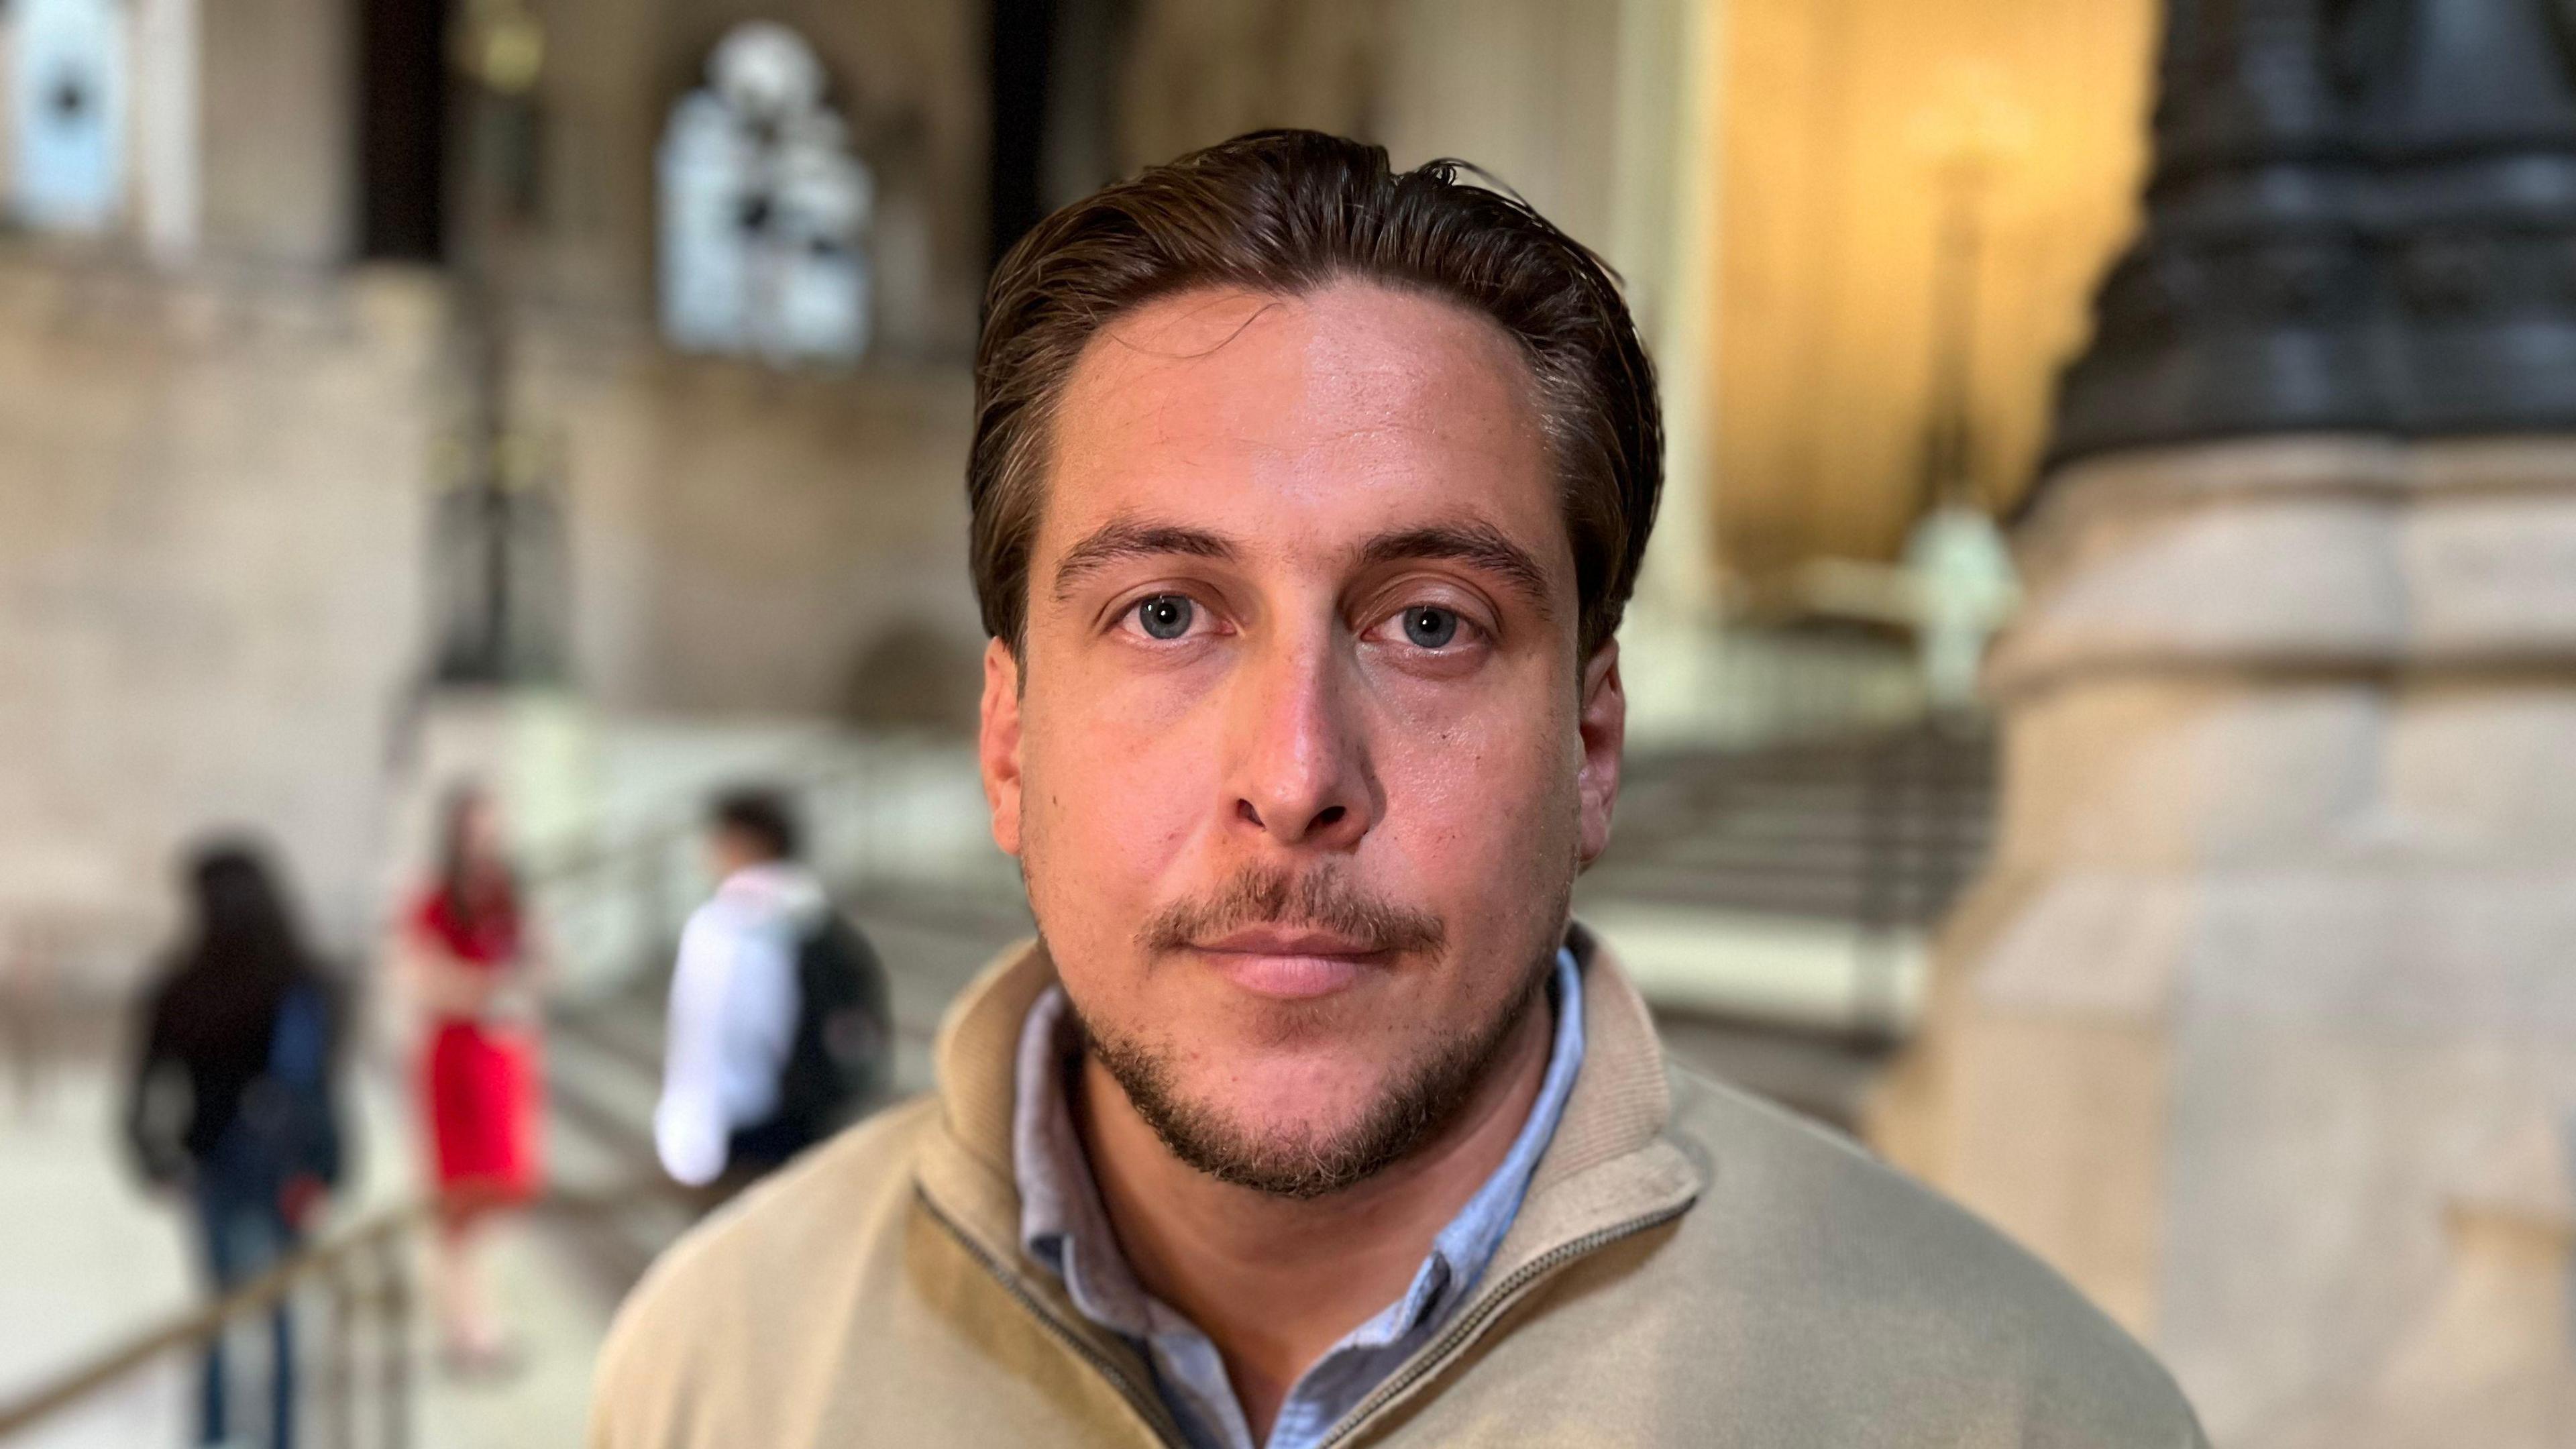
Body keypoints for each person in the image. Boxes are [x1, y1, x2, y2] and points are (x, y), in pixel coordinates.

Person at [590, 131, 2206, 1448]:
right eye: (1165, 613)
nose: (1295, 776)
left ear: (1588, 744)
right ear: (1008, 742)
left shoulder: (2016, 1414)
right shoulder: (719, 1366)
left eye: (1429, 623)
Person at [126, 839, 345, 1449]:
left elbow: (143, 1086)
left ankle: (217, 1436)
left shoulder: (185, 983)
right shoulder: (302, 980)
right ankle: (277, 1437)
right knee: (276, 1317)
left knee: (220, 1312)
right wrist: (328, 1169)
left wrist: (155, 1158)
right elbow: (320, 1091)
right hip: (279, 1169)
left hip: (217, 1164)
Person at [653, 788, 890, 1199]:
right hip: (794, 1119)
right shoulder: (816, 921)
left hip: (755, 1126)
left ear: (745, 842)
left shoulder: (732, 927)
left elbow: (707, 1036)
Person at [404, 784, 543, 1377]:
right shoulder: (433, 899)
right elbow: (422, 977)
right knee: (458, 1203)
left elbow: (540, 964)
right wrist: (486, 989)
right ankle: (465, 1326)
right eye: (476, 829)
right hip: (457, 1057)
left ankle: (482, 1317)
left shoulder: (509, 898)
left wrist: (516, 984)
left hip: (501, 1054)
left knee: (498, 1196)